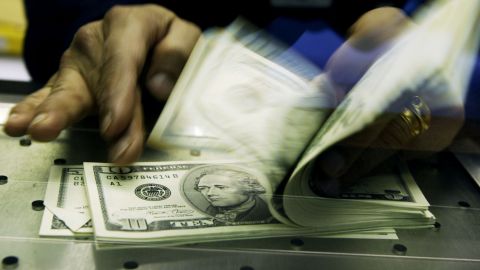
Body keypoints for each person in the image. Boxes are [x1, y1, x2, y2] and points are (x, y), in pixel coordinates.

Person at [2, 1, 469, 189]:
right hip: (143, 109)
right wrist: (102, 30)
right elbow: (62, 25)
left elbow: (449, 22)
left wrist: (451, 64)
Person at [193, 167, 273, 224]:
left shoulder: (269, 214)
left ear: (248, 188)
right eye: (203, 188)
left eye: (221, 187)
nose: (209, 193)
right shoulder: (210, 210)